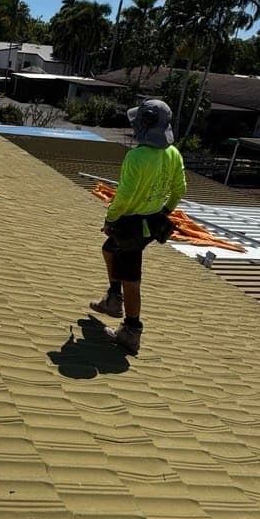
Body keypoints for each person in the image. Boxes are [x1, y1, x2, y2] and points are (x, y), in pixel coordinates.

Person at [91, 99, 186, 356]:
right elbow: (180, 189)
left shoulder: (136, 157)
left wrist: (111, 219)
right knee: (109, 250)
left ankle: (131, 331)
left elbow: (124, 195)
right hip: (151, 222)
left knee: (131, 278)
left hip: (130, 225)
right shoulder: (173, 154)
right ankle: (113, 298)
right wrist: (164, 211)